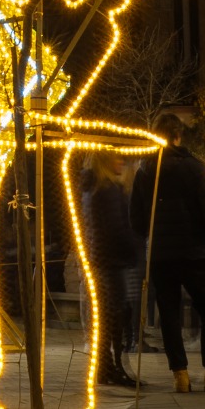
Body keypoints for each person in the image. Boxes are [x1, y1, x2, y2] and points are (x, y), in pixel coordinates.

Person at [129, 113, 205, 393]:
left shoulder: (145, 170)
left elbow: (136, 217)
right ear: (178, 135)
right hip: (194, 251)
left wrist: (150, 235)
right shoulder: (195, 168)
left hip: (161, 254)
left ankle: (180, 374)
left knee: (168, 312)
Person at [81, 153, 139, 388]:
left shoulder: (91, 188)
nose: (121, 162)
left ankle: (104, 367)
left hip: (100, 257)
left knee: (106, 316)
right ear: (105, 161)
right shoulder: (109, 190)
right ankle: (114, 366)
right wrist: (132, 251)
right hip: (113, 260)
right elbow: (117, 227)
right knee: (116, 315)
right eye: (116, 158)